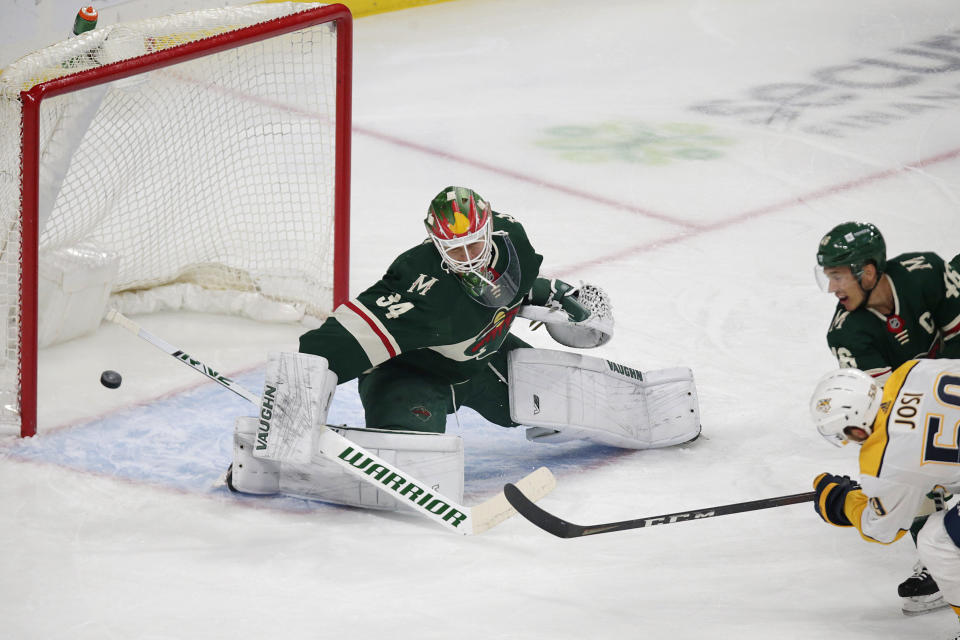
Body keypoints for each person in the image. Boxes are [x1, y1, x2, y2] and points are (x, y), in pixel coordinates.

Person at [225, 186, 701, 508]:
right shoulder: (418, 285)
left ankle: (555, 417)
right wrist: (290, 415)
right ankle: (282, 469)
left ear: (490, 229)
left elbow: (518, 286)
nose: (468, 259)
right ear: (435, 242)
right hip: (412, 377)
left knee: (549, 397)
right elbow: (329, 345)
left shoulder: (513, 238)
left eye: (474, 245)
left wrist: (553, 298)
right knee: (418, 467)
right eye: (453, 251)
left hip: (483, 360)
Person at [815, 221, 960, 613]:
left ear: (867, 270)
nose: (832, 288)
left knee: (910, 469)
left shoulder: (925, 273)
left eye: (838, 276)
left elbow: (893, 451)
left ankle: (948, 557)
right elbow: (884, 417)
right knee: (918, 463)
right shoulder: (848, 334)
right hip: (930, 394)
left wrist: (854, 502)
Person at [809, 360, 960, 635]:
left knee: (938, 541)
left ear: (856, 428)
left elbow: (881, 529)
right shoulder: (912, 370)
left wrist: (842, 502)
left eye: (846, 436)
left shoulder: (885, 461)